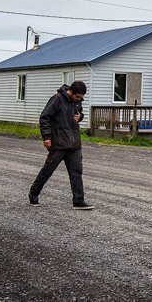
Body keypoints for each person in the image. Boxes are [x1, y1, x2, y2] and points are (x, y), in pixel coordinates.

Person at [29, 81, 94, 210]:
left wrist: (80, 117)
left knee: (76, 172)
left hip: (74, 144)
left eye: (81, 98)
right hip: (58, 143)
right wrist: (46, 137)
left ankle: (78, 201)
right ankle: (34, 193)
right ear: (70, 91)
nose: (80, 99)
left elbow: (78, 115)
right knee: (47, 170)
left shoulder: (77, 101)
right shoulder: (57, 99)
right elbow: (44, 117)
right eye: (78, 97)